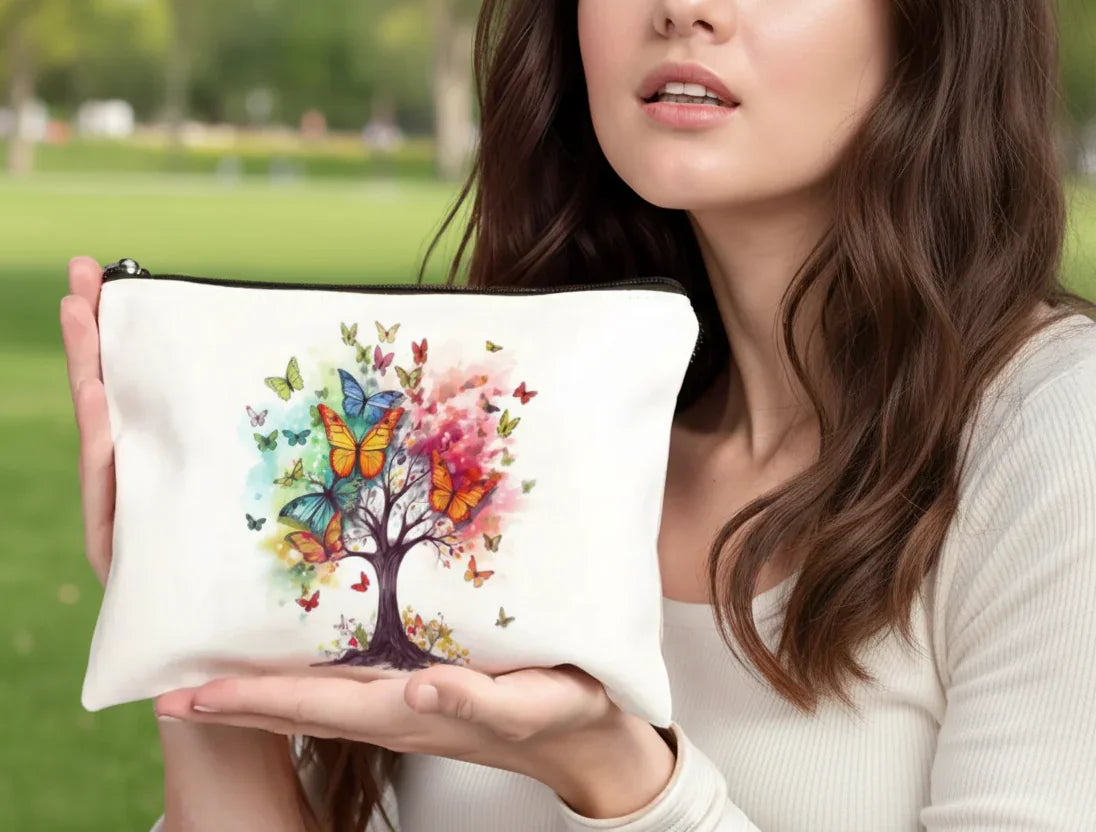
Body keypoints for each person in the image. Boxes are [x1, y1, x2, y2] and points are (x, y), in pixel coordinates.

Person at [60, 0, 1096, 829]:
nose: (685, 11)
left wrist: (613, 774)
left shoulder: (1055, 437)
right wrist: (196, 642)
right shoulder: (513, 426)